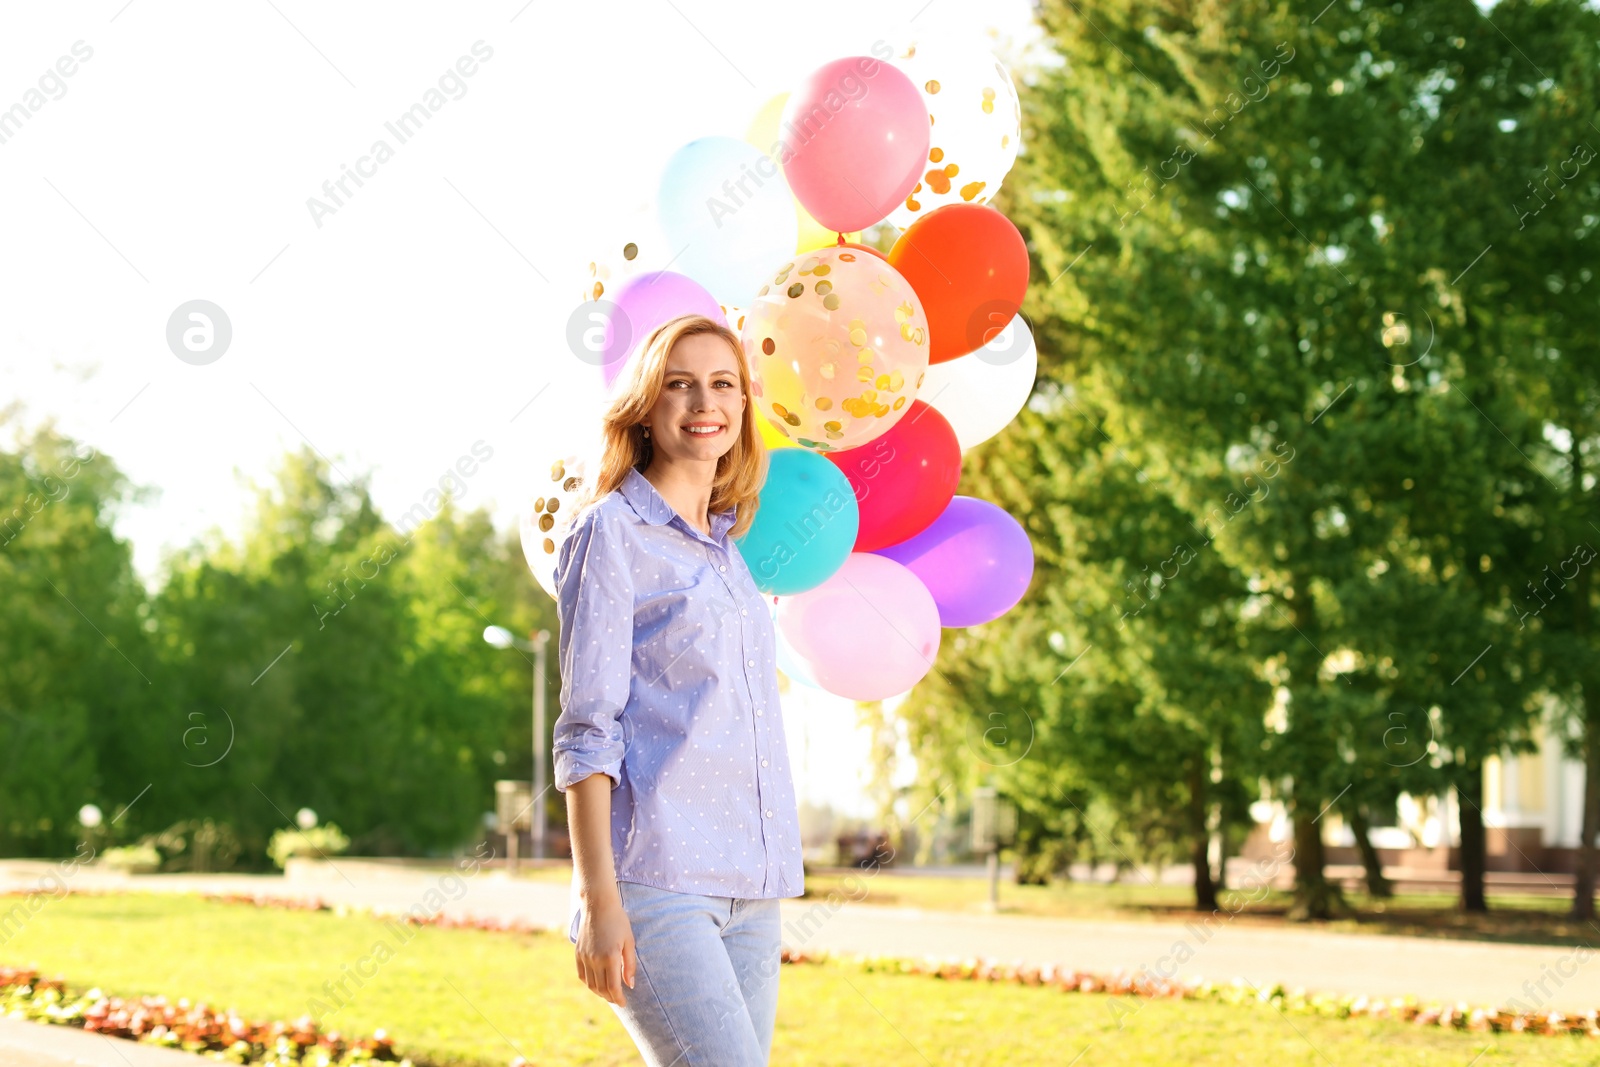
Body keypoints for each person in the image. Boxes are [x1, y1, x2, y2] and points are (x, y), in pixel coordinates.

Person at [551, 313, 805, 1065]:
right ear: (646, 407)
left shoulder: (730, 552)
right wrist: (600, 901)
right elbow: (587, 729)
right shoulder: (613, 532)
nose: (705, 402)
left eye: (723, 384)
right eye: (681, 384)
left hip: (752, 891)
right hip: (657, 886)